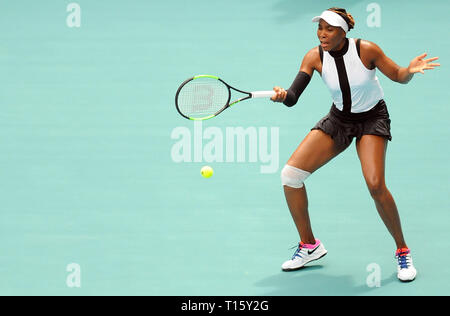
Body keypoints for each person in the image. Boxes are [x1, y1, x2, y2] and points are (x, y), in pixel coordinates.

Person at [271, 7, 440, 282]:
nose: (322, 34)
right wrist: (281, 96)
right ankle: (309, 245)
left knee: (375, 185)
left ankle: (402, 249)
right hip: (339, 120)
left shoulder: (366, 50)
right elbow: (292, 97)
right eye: (320, 28)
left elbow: (398, 75)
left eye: (329, 29)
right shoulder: (314, 56)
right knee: (291, 176)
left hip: (372, 119)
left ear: (343, 32)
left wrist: (409, 70)